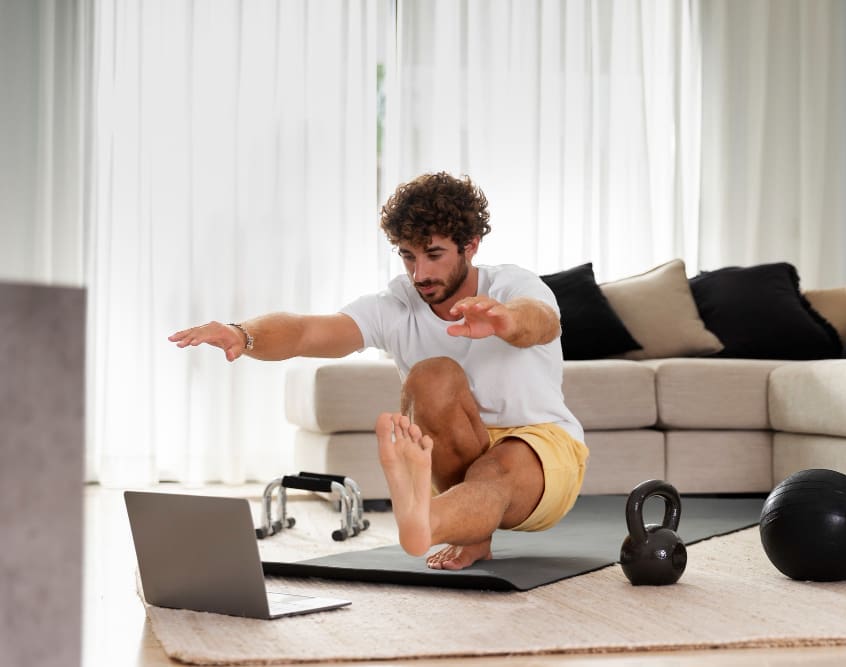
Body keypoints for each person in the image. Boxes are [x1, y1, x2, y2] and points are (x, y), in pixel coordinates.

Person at [169, 172, 588, 570]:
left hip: (540, 447)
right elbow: (306, 331)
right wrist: (242, 334)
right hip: (460, 454)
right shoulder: (396, 305)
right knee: (432, 376)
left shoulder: (512, 286)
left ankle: (425, 521)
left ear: (471, 245)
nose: (420, 273)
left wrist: (505, 321)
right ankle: (461, 531)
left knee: (493, 472)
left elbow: (542, 321)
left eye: (434, 255)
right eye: (408, 255)